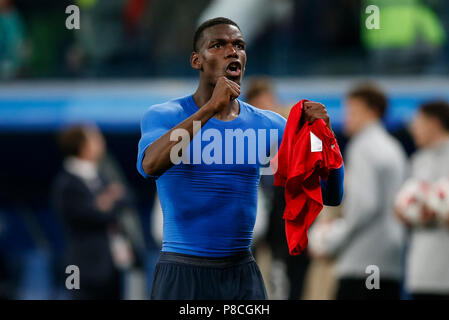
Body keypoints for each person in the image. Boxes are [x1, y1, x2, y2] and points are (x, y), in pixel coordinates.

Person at [137, 17, 344, 300]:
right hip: (183, 270)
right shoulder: (164, 115)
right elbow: (150, 165)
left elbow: (330, 194)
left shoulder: (270, 124)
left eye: (239, 45)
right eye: (218, 45)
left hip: (242, 274)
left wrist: (324, 139)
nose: (232, 51)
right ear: (196, 60)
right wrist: (211, 108)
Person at [309, 83, 407, 300]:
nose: (346, 117)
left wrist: (332, 240)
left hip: (364, 261)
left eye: (352, 111)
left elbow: (364, 205)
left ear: (372, 112)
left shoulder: (363, 146)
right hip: (388, 259)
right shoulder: (394, 147)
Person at [245, 77, 310, 300]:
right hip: (255, 215)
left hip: (286, 219)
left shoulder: (294, 131)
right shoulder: (245, 138)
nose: (266, 109)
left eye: (268, 102)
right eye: (259, 106)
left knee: (285, 277)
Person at [52, 125, 129, 300]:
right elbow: (88, 214)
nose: (101, 143)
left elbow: (124, 199)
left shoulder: (102, 175)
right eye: (95, 139)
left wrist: (106, 202)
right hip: (79, 266)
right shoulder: (66, 183)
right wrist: (107, 201)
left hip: (110, 265)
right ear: (83, 146)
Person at [396, 101, 449, 300]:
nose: (413, 128)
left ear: (434, 123)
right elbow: (401, 206)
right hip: (421, 272)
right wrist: (403, 212)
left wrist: (438, 210)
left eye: (418, 121)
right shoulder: (418, 160)